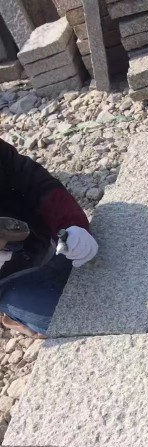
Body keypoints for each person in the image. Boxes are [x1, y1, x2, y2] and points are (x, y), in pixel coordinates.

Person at [0, 138, 98, 338]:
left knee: (109, 263)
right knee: (82, 324)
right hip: (12, 282)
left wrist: (72, 224)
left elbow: (36, 182)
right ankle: (16, 316)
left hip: (48, 240)